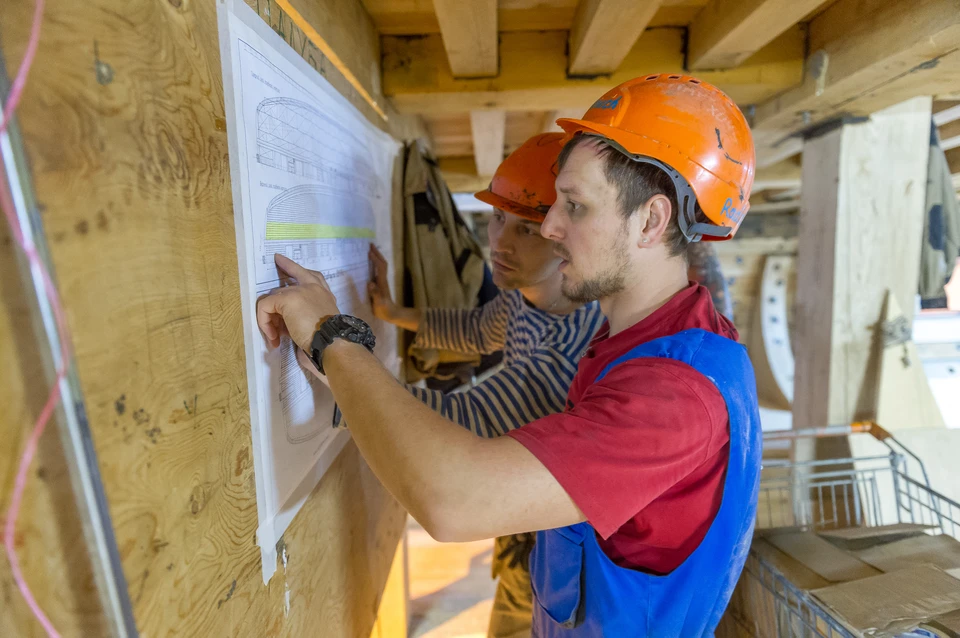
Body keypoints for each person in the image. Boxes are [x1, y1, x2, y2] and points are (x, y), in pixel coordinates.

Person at [256, 74, 762, 636]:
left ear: (651, 220)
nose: (549, 226)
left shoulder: (672, 396)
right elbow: (477, 329)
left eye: (574, 206)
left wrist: (334, 341)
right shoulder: (654, 342)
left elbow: (453, 501)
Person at [366, 133, 603, 638]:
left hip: (556, 549)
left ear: (566, 235)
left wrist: (330, 355)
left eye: (528, 231)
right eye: (498, 219)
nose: (499, 241)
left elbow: (449, 418)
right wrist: (391, 313)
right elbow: (477, 330)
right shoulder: (526, 297)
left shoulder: (563, 355)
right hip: (526, 528)